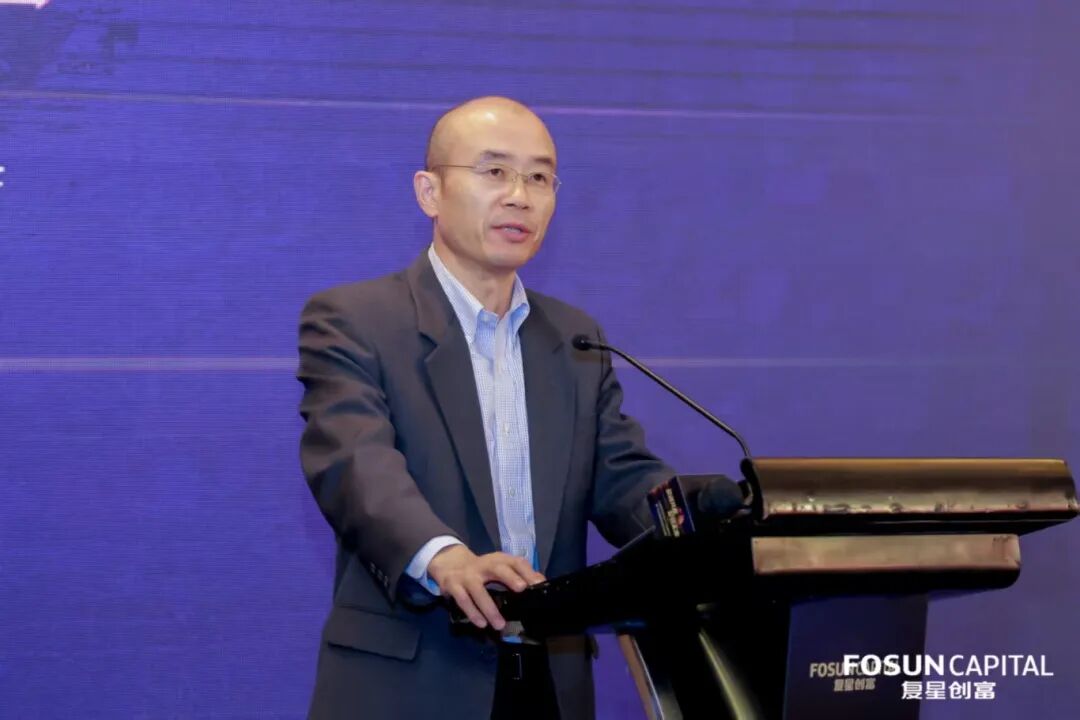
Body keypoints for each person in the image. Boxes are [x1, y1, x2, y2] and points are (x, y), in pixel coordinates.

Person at [297, 96, 674, 720]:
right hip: (411, 683)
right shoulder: (354, 320)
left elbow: (623, 481)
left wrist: (720, 517)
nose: (520, 197)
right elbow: (356, 466)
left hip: (550, 682)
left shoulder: (574, 338)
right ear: (429, 192)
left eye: (540, 177)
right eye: (495, 171)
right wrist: (444, 557)